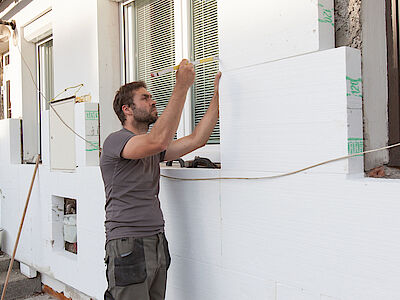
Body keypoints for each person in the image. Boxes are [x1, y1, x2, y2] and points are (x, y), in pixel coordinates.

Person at [100, 59, 221, 300]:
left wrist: (218, 95)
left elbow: (198, 139)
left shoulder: (152, 149)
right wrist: (182, 86)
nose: (153, 100)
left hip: (156, 239)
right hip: (128, 243)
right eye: (145, 98)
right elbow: (158, 140)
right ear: (127, 109)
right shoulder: (116, 141)